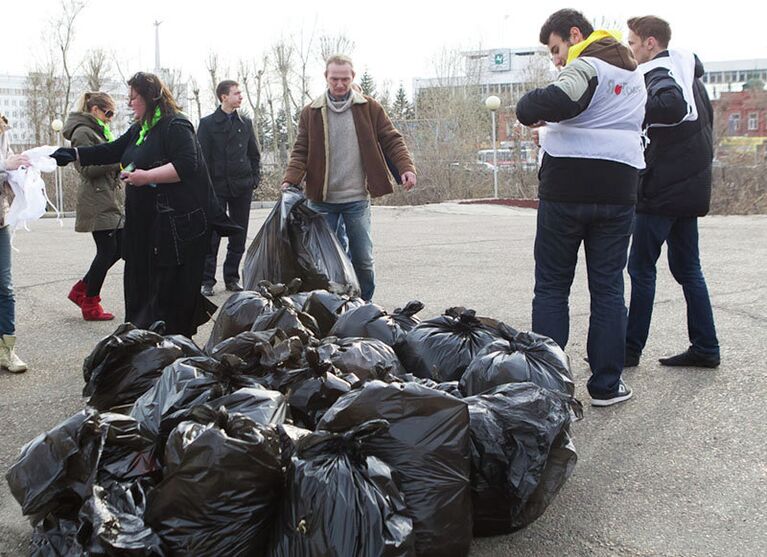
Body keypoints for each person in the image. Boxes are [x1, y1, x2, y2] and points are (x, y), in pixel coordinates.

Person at [515, 9, 647, 407]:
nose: (556, 59)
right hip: (619, 191)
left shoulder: (587, 64)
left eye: (556, 49)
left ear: (575, 35)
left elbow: (557, 98)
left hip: (566, 192)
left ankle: (551, 388)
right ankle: (607, 385)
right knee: (608, 288)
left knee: (552, 287)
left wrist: (530, 106)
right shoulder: (634, 75)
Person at [51, 72, 224, 338]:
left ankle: (172, 342)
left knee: (168, 288)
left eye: (134, 97)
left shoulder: (176, 125)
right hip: (143, 223)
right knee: (140, 283)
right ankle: (144, 339)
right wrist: (73, 154)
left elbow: (187, 165)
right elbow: (112, 150)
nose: (129, 103)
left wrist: (147, 177)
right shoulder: (139, 129)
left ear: (150, 98)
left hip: (172, 225)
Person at [281, 54, 416, 301]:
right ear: (326, 78)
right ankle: (335, 305)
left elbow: (391, 139)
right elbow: (301, 149)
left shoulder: (370, 107)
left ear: (352, 77)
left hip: (357, 198)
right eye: (335, 79)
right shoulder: (311, 112)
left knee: (363, 259)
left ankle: (364, 306)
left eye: (345, 79)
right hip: (322, 199)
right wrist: (291, 179)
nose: (340, 84)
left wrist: (406, 167)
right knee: (326, 261)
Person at [625, 16, 720, 368]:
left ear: (651, 43)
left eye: (633, 43)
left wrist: (629, 109)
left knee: (641, 269)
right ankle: (706, 347)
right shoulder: (689, 75)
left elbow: (670, 107)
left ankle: (629, 349)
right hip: (689, 189)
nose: (631, 50)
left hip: (660, 193)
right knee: (688, 269)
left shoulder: (661, 74)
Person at [63, 91, 125, 321]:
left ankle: (82, 289)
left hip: (109, 198)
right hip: (96, 199)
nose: (110, 118)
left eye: (113, 114)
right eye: (107, 113)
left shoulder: (99, 131)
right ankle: (89, 302)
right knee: (107, 251)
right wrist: (117, 162)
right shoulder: (82, 132)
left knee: (120, 248)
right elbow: (86, 169)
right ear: (94, 110)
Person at [198, 79, 260, 297]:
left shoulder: (245, 123)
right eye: (236, 93)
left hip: (242, 186)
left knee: (239, 233)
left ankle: (232, 277)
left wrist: (254, 178)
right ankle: (206, 280)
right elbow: (201, 158)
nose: (240, 97)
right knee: (212, 234)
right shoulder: (206, 124)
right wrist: (204, 186)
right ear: (224, 96)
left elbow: (254, 154)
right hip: (216, 187)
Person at [0, 115, 28, 373]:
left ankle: (6, 350)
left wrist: (18, 169)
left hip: (0, 216)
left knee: (5, 287)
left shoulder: (2, 127)